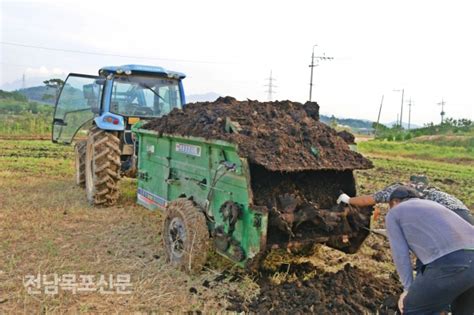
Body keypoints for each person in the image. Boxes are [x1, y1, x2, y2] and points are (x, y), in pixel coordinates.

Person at [385, 186, 474, 314]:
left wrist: (408, 289)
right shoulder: (433, 205)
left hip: (451, 262)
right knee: (464, 311)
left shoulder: (394, 213)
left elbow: (401, 255)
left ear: (394, 202)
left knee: (413, 308)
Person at [337, 175, 473, 225]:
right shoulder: (429, 189)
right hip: (462, 211)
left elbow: (368, 199)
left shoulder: (397, 190)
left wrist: (348, 200)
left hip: (447, 215)